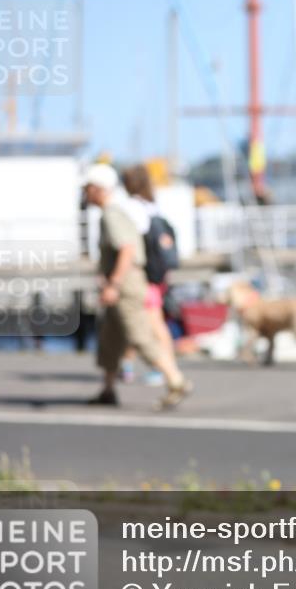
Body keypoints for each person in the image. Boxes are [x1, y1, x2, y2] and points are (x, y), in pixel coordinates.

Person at [84, 163, 192, 410]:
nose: (86, 193)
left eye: (88, 188)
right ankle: (108, 389)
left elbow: (127, 249)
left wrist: (114, 283)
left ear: (99, 189)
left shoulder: (113, 213)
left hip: (126, 284)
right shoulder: (116, 211)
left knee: (140, 335)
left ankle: (176, 381)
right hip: (124, 282)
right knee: (111, 339)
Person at [119, 164, 179, 387]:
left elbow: (128, 245)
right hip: (159, 273)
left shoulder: (131, 208)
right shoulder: (152, 206)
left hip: (142, 274)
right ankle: (130, 364)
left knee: (149, 323)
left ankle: (164, 368)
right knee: (141, 321)